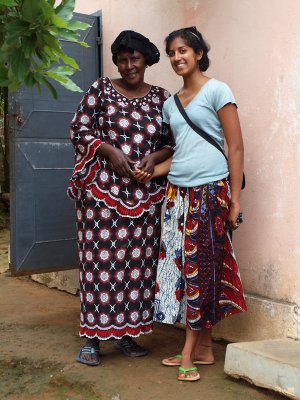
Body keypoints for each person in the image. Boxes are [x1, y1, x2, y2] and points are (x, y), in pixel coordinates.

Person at [145, 27, 247, 382]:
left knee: (200, 272)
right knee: (178, 272)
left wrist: (234, 200)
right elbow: (180, 153)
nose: (177, 57)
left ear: (200, 53)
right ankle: (203, 349)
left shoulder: (219, 91)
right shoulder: (169, 105)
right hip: (176, 196)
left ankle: (187, 351)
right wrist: (149, 171)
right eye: (172, 52)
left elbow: (234, 148)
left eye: (184, 50)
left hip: (210, 193)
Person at [67, 30, 174, 366]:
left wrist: (153, 159)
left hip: (144, 196)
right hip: (101, 195)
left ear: (146, 62)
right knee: (99, 265)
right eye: (123, 60)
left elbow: (172, 141)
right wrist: (110, 151)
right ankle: (92, 340)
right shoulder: (100, 89)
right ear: (116, 61)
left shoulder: (161, 98)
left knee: (136, 268)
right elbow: (79, 130)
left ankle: (125, 334)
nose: (129, 66)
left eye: (135, 59)